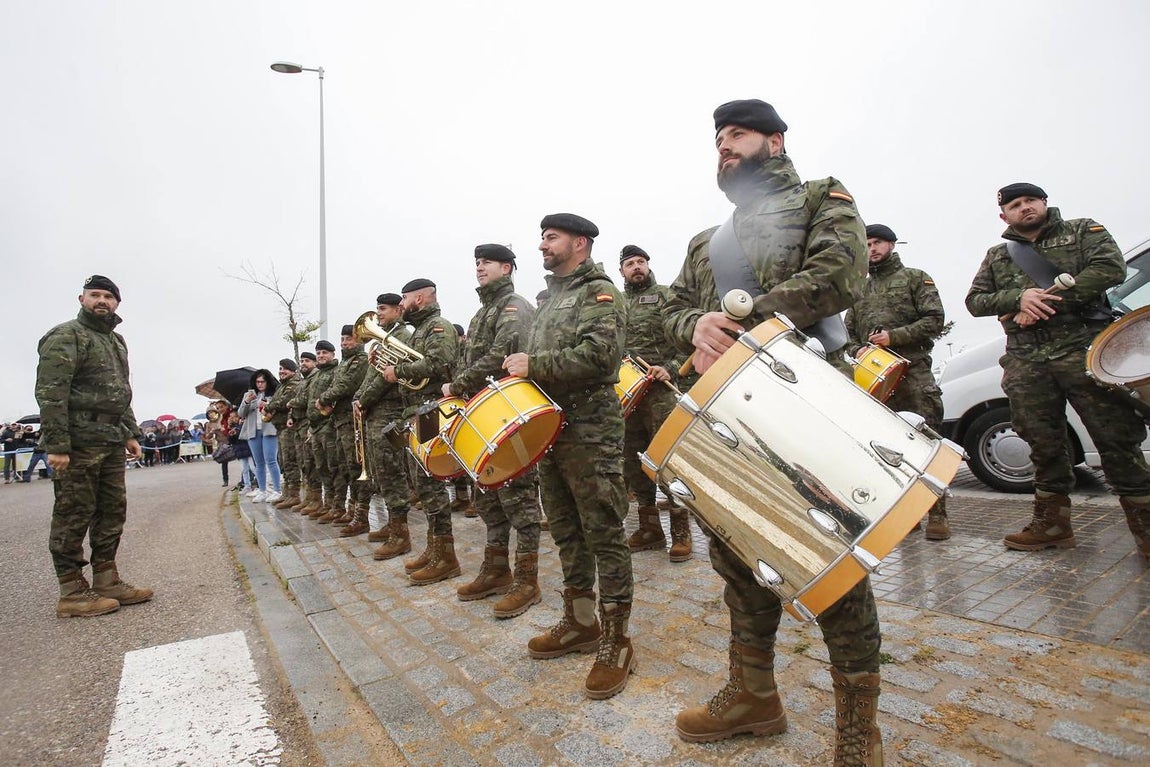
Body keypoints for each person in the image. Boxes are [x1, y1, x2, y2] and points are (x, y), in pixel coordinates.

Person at [661, 100, 882, 764]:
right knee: (735, 550)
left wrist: (748, 315)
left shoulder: (822, 196)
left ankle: (857, 726)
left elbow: (841, 274)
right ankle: (755, 694)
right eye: (719, 139)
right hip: (730, 409)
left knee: (832, 555)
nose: (725, 147)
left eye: (738, 135)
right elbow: (671, 309)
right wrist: (693, 326)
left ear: (775, 142)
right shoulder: (707, 241)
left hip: (808, 394)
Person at [966, 183, 1150, 558]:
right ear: (1005, 216)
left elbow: (1110, 268)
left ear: (1044, 203)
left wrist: (1046, 299)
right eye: (1015, 205)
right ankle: (1052, 525)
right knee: (1042, 443)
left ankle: (1146, 530)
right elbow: (974, 301)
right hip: (1027, 360)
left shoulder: (1082, 231)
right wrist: (1018, 298)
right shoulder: (998, 255)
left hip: (1083, 351)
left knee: (1115, 437)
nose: (1025, 208)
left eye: (1030, 200)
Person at [503, 213, 636, 699]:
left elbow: (603, 359)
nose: (542, 244)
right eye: (541, 236)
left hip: (591, 430)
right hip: (551, 429)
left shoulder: (600, 292)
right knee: (565, 529)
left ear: (579, 243)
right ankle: (581, 622)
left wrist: (533, 364)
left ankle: (617, 639)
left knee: (604, 531)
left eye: (551, 237)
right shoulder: (549, 298)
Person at [35, 275, 152, 618]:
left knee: (112, 511)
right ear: (82, 299)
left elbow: (120, 392)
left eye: (108, 296)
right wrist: (57, 445)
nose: (102, 300)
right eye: (95, 295)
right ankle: (71, 590)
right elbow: (51, 392)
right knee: (74, 512)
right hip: (78, 440)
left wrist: (130, 432)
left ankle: (106, 579)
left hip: (111, 439)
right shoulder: (65, 335)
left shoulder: (116, 341)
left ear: (117, 303)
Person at [446, 243, 542, 617]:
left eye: (486, 263)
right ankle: (497, 568)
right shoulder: (482, 311)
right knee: (487, 495)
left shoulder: (513, 307)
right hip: (484, 415)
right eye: (477, 263)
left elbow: (502, 355)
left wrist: (457, 384)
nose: (479, 268)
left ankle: (528, 579)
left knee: (519, 498)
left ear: (507, 268)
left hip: (508, 413)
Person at [844, 223, 949, 540]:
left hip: (914, 371)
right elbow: (847, 334)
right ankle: (907, 517)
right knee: (889, 448)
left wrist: (895, 336)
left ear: (891, 245)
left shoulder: (915, 278)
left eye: (877, 242)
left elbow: (935, 319)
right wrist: (857, 347)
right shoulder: (859, 289)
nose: (872, 248)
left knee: (928, 442)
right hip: (877, 379)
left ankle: (938, 515)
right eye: (867, 243)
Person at [381, 278, 460, 584]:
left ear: (421, 297)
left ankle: (447, 555)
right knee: (422, 483)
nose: (402, 304)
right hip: (415, 411)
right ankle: (434, 547)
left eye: (405, 298)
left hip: (429, 412)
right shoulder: (419, 331)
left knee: (431, 484)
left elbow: (439, 363)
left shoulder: (437, 326)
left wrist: (398, 371)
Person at [617, 244, 692, 562]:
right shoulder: (616, 304)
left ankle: (681, 532)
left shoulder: (665, 296)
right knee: (634, 462)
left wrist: (671, 368)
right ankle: (650, 529)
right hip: (628, 395)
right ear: (621, 271)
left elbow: (687, 341)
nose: (637, 267)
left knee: (667, 459)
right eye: (630, 264)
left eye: (641, 262)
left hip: (661, 390)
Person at [359, 293, 418, 558]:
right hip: (378, 413)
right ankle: (393, 525)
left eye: (382, 309)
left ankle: (400, 534)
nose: (378, 314)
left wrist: (364, 399)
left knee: (392, 472)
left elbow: (386, 379)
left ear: (397, 309)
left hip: (390, 411)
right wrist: (360, 398)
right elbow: (374, 374)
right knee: (382, 472)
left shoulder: (401, 336)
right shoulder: (383, 339)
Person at [317, 324, 370, 532]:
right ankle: (352, 510)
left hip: (352, 421)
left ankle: (361, 516)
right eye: (343, 339)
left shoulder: (360, 360)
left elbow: (345, 386)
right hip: (340, 421)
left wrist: (323, 399)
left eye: (349, 339)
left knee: (357, 468)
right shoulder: (345, 363)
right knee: (347, 468)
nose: (345, 343)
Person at [299, 341, 340, 519]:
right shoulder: (316, 376)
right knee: (321, 466)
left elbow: (336, 396)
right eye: (318, 353)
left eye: (324, 352)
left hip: (328, 426)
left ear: (332, 354)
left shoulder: (335, 372)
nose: (321, 355)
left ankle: (338, 505)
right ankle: (327, 503)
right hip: (315, 427)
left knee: (334, 467)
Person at [264, 358, 305, 509]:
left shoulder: (293, 384)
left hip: (289, 427)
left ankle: (294, 495)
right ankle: (288, 493)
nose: (281, 371)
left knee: (289, 460)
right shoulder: (282, 385)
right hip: (280, 427)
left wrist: (269, 407)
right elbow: (278, 400)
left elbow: (283, 401)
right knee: (283, 460)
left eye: (285, 369)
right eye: (280, 369)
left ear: (293, 371)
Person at [237, 369, 281, 503]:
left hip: (269, 430)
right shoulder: (249, 395)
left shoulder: (274, 394)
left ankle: (277, 490)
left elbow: (278, 410)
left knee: (271, 460)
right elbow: (240, 413)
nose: (260, 384)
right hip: (253, 431)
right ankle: (262, 490)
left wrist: (267, 405)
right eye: (257, 382)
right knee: (258, 462)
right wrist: (247, 403)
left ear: (268, 382)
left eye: (262, 381)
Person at [286, 353, 320, 512]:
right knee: (303, 462)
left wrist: (291, 403)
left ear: (314, 363)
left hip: (308, 423)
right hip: (299, 424)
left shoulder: (314, 377)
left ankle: (316, 499)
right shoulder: (303, 381)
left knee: (311, 463)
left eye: (307, 361)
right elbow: (295, 403)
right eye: (302, 361)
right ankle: (309, 498)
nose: (303, 363)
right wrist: (291, 415)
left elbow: (304, 399)